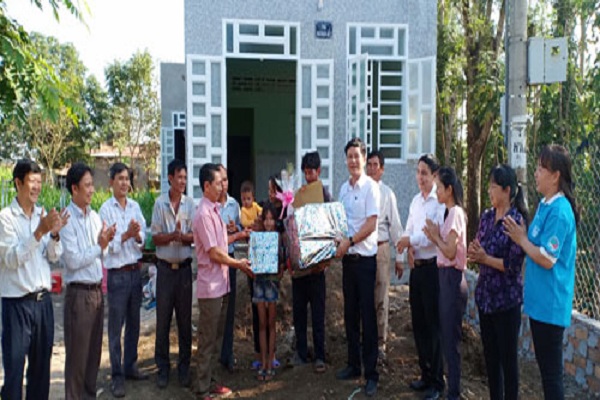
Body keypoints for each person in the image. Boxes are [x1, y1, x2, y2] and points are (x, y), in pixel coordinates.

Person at [504, 145, 578, 400]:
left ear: (555, 176)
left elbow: (547, 258)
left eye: (540, 168)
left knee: (551, 375)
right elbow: (533, 244)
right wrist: (522, 237)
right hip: (539, 304)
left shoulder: (560, 211)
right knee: (546, 372)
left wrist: (521, 239)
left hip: (551, 304)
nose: (535, 173)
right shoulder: (546, 205)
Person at [0, 159, 68, 400]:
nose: (37, 187)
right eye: (32, 181)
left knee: (41, 372)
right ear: (18, 183)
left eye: (40, 182)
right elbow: (11, 259)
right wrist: (39, 232)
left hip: (43, 303)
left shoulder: (42, 214)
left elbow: (53, 256)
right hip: (17, 304)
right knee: (14, 372)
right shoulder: (5, 218)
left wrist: (55, 234)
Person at [192, 163, 254, 400]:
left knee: (217, 337)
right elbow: (214, 252)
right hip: (211, 287)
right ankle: (202, 388)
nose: (222, 187)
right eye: (218, 183)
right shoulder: (203, 214)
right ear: (207, 185)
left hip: (222, 283)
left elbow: (221, 242)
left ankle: (212, 380)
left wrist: (238, 235)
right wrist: (238, 264)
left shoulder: (215, 210)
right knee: (208, 339)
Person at [467, 164, 527, 400]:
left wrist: (485, 258)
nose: (489, 191)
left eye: (493, 187)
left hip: (506, 301)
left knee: (508, 362)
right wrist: (475, 251)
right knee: (491, 360)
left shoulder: (515, 222)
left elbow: (513, 265)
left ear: (507, 190)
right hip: (486, 299)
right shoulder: (487, 217)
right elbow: (479, 244)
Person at [61, 162, 116, 399]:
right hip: (79, 294)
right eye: (87, 185)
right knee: (77, 359)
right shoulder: (66, 220)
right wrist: (99, 246)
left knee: (93, 355)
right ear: (74, 188)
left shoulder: (94, 216)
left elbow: (103, 253)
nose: (92, 190)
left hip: (96, 293)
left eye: (92, 184)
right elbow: (73, 260)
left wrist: (106, 241)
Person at [397, 154, 445, 399]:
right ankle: (425, 374)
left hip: (433, 269)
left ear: (435, 176)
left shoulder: (440, 203)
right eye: (418, 172)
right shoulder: (416, 201)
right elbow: (409, 228)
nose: (420, 177)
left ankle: (437, 381)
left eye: (425, 173)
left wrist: (410, 242)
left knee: (433, 325)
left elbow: (429, 236)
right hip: (416, 269)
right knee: (419, 324)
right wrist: (407, 245)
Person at [335, 137, 380, 397]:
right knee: (350, 314)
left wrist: (350, 241)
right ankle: (353, 364)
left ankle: (371, 373)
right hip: (347, 261)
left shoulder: (371, 188)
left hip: (364, 261)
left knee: (367, 317)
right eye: (349, 156)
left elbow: (371, 224)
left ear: (364, 159)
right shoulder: (343, 188)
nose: (353, 161)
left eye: (356, 156)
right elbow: (340, 222)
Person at [99, 163, 149, 398]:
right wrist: (126, 234)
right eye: (120, 178)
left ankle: (130, 366)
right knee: (115, 326)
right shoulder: (105, 210)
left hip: (134, 272)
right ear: (111, 182)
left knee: (134, 323)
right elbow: (107, 246)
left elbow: (144, 238)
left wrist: (137, 235)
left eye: (127, 179)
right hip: (117, 275)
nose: (124, 183)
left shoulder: (135, 207)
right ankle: (117, 375)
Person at [422, 166, 468, 400]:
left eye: (439, 187)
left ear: (449, 189)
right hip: (444, 278)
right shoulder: (447, 213)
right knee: (446, 336)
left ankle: (454, 392)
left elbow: (450, 251)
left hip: (452, 278)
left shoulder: (456, 213)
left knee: (451, 341)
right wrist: (434, 235)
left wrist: (435, 237)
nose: (436, 191)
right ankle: (451, 389)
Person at [151, 159, 195, 389]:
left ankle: (184, 368)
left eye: (185, 178)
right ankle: (163, 368)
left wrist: (182, 237)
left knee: (185, 322)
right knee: (163, 321)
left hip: (184, 271)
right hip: (165, 271)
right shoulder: (160, 204)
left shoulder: (190, 204)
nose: (182, 182)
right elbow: (155, 238)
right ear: (170, 178)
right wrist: (172, 236)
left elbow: (195, 236)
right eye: (179, 177)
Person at [290, 151, 332, 373]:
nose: (308, 177)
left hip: (318, 268)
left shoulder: (325, 196)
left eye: (311, 173)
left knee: (318, 313)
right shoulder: (299, 195)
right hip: (300, 268)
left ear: (319, 171)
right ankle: (301, 352)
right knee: (299, 312)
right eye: (305, 173)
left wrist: (326, 259)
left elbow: (333, 227)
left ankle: (320, 356)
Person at [366, 150, 404, 360]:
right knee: (364, 297)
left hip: (380, 248)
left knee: (381, 297)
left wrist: (399, 258)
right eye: (369, 165)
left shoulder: (387, 194)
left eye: (376, 165)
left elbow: (396, 227)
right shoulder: (360, 191)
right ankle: (366, 340)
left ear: (382, 169)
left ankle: (380, 343)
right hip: (362, 250)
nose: (372, 169)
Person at [216, 164, 248, 373]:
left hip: (230, 260)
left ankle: (227, 354)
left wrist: (235, 229)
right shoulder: (209, 207)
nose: (224, 184)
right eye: (220, 180)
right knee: (215, 311)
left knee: (229, 311)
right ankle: (214, 354)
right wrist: (233, 234)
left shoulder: (234, 204)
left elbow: (240, 229)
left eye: (226, 180)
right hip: (214, 263)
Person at [253, 203, 284, 382]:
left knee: (271, 323)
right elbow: (252, 257)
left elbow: (282, 261)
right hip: (259, 282)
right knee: (262, 323)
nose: (269, 222)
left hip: (272, 283)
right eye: (266, 219)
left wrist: (280, 271)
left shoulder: (278, 238)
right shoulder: (257, 237)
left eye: (271, 219)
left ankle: (271, 362)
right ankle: (263, 362)